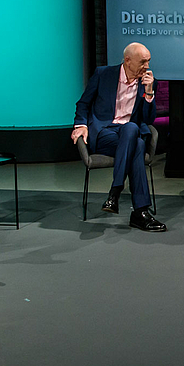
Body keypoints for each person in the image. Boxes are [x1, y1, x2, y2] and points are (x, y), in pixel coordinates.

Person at [72, 42, 165, 232]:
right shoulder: (103, 74)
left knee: (132, 131)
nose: (146, 66)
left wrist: (149, 94)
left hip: (128, 132)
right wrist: (80, 125)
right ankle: (140, 212)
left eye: (148, 61)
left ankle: (115, 194)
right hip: (105, 133)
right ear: (127, 61)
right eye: (143, 62)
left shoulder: (149, 82)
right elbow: (83, 103)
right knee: (137, 145)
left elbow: (148, 119)